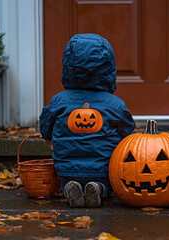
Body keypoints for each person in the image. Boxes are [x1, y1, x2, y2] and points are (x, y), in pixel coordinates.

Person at [39, 34, 136, 208]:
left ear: (68, 66)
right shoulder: (116, 105)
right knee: (107, 183)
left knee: (66, 181)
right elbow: (128, 134)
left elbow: (45, 126)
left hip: (67, 167)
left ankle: (69, 188)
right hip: (103, 168)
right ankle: (99, 188)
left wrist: (50, 139)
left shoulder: (58, 101)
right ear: (108, 69)